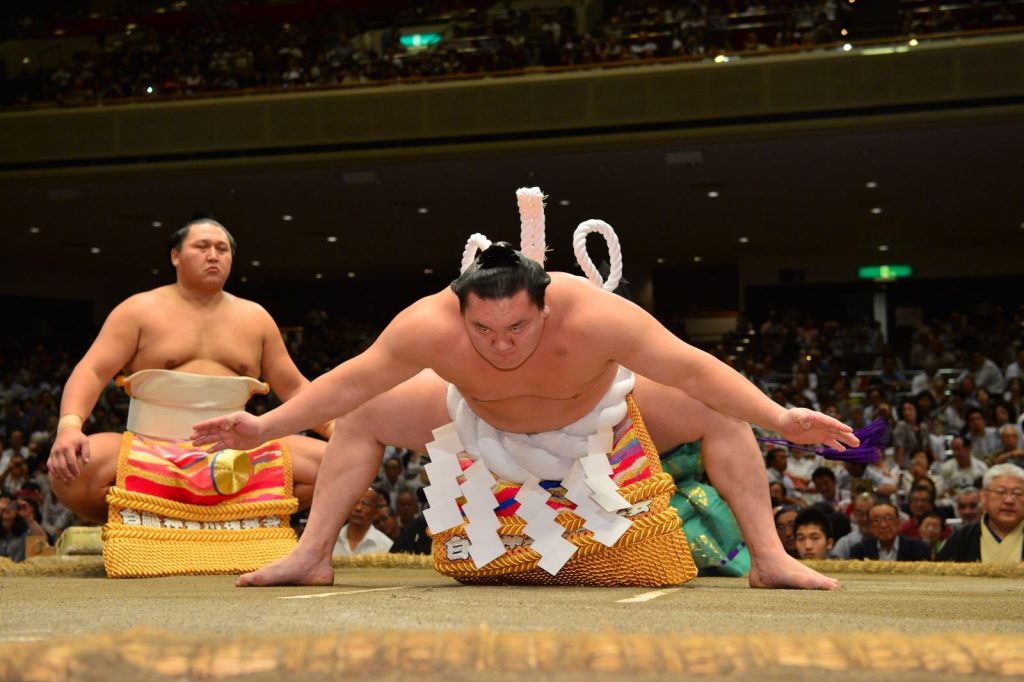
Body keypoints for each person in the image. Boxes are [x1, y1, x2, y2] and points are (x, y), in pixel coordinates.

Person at [193, 239, 858, 590]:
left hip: (604, 409)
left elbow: (693, 367)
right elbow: (347, 384)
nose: (502, 344)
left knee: (718, 410)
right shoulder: (429, 325)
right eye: (484, 330)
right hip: (480, 417)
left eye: (517, 327)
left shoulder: (596, 317)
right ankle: (312, 555)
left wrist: (780, 416)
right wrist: (264, 427)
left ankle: (769, 559)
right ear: (461, 312)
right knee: (366, 412)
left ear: (546, 305)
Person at [47, 218, 329, 522]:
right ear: (175, 256)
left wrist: (335, 429)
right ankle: (150, 517)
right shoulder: (138, 310)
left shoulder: (256, 318)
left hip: (237, 454)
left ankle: (236, 516)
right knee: (72, 472)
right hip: (150, 448)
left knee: (337, 462)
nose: (213, 255)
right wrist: (69, 428)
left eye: (222, 249)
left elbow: (296, 388)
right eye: (202, 247)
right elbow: (92, 371)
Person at [937, 463, 1024, 563]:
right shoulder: (961, 539)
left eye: (1017, 493)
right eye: (1001, 492)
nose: (1009, 500)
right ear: (983, 497)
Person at [849, 502, 930, 561]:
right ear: (870, 527)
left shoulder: (919, 549)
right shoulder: (859, 551)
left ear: (899, 523)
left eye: (888, 519)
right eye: (876, 520)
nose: (883, 525)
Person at [334, 488, 393, 556]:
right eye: (354, 502)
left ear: (375, 513)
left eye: (365, 504)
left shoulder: (386, 545)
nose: (358, 508)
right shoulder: (331, 540)